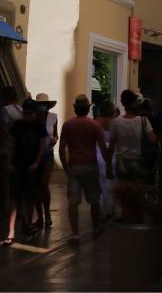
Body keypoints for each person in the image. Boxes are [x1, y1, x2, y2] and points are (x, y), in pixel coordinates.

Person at [58, 95, 109, 246]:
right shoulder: (94, 125)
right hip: (90, 165)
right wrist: (110, 165)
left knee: (73, 202)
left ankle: (75, 234)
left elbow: (61, 149)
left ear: (75, 108)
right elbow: (102, 146)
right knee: (94, 200)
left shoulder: (68, 125)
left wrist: (66, 166)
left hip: (74, 165)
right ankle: (96, 228)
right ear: (88, 109)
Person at [108, 90, 158, 223]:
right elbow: (153, 139)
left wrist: (108, 165)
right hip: (137, 161)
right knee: (139, 192)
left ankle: (127, 219)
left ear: (123, 104)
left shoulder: (115, 122)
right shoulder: (143, 120)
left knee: (124, 194)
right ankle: (139, 221)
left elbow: (112, 145)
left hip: (121, 162)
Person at [4, 99, 46, 245]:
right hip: (19, 165)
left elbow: (42, 145)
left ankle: (26, 225)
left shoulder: (38, 125)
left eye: (30, 113)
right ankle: (12, 230)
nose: (27, 116)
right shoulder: (18, 125)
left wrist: (36, 163)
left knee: (28, 197)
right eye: (25, 113)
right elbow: (11, 144)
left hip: (29, 166)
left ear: (34, 113)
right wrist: (9, 162)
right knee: (16, 198)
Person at [0, 86, 21, 221]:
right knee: (15, 182)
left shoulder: (4, 111)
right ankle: (17, 210)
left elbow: (0, 127)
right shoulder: (20, 110)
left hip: (3, 149)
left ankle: (3, 211)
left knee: (2, 182)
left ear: (6, 97)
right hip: (17, 150)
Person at [33, 93, 58, 229]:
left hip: (47, 153)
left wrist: (54, 140)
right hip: (35, 153)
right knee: (36, 186)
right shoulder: (33, 118)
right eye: (40, 105)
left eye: (44, 105)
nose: (43, 107)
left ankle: (47, 215)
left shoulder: (53, 117)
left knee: (44, 185)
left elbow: (55, 135)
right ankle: (40, 217)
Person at [95, 100, 117, 222]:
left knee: (100, 186)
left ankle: (101, 211)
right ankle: (110, 210)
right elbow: (114, 142)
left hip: (97, 155)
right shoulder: (115, 123)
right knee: (111, 184)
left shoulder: (96, 123)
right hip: (112, 155)